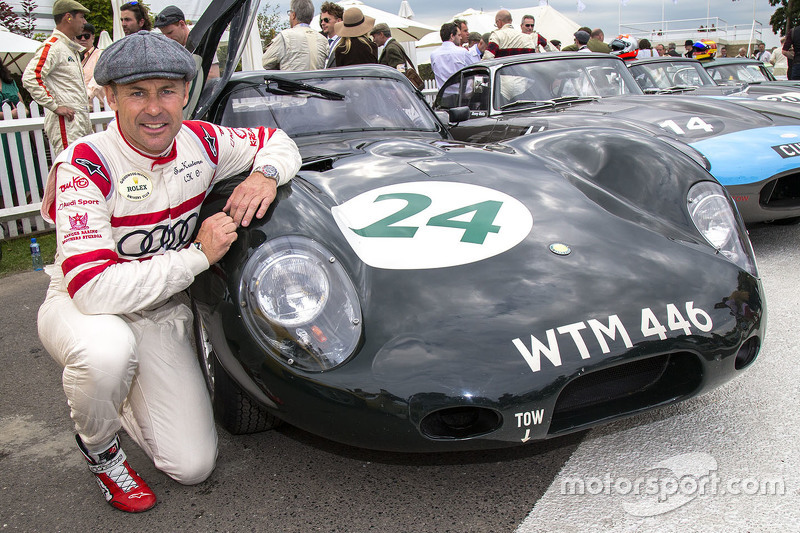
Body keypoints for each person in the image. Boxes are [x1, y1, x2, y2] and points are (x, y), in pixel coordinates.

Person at [36, 30, 301, 514]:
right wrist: (198, 258)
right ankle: (101, 447)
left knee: (192, 465)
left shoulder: (202, 140)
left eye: (167, 91)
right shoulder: (86, 162)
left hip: (159, 307)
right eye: (137, 93)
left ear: (185, 94)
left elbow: (278, 140)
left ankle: (121, 398)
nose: (154, 108)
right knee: (106, 354)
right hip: (84, 308)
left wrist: (264, 173)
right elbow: (92, 290)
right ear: (111, 96)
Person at [22, 0, 92, 157]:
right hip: (66, 121)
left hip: (77, 117)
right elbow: (31, 76)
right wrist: (54, 106)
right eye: (81, 17)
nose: (84, 22)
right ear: (68, 17)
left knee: (83, 166)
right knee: (71, 167)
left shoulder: (68, 48)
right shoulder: (53, 47)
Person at [154, 5, 220, 79]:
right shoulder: (170, 48)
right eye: (164, 34)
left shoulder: (201, 41)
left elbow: (214, 76)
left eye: (170, 33)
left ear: (182, 24)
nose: (168, 38)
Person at [263, 0, 328, 70]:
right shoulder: (323, 40)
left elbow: (266, 62)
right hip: (316, 80)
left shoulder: (285, 36)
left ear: (293, 15)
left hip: (290, 80)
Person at [431, 22, 470, 88]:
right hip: (461, 95)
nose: (460, 38)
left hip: (443, 95)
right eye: (459, 35)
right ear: (452, 36)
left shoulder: (434, 55)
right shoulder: (463, 52)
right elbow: (471, 73)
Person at [76, 22, 103, 102]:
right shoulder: (73, 58)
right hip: (78, 108)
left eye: (87, 36)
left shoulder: (100, 55)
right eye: (79, 36)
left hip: (99, 110)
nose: (83, 39)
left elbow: (98, 79)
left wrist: (86, 96)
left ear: (93, 37)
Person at [319, 1, 344, 68]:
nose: (323, 23)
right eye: (321, 20)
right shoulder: (319, 41)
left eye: (326, 20)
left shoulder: (345, 42)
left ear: (338, 21)